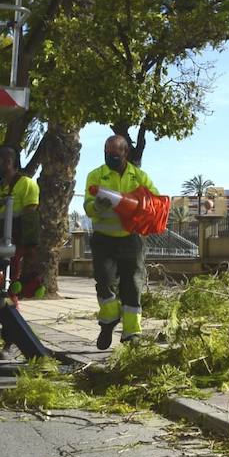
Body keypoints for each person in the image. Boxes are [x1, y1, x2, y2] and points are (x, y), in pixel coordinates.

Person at [85, 134, 157, 349]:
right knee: (105, 283)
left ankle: (131, 333)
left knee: (132, 287)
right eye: (106, 153)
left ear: (125, 153)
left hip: (131, 240)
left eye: (114, 154)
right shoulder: (96, 175)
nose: (110, 157)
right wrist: (98, 206)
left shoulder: (139, 177)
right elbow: (88, 206)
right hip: (103, 241)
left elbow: (155, 202)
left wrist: (139, 205)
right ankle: (108, 322)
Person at [0, 146, 40, 352]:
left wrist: (30, 249)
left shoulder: (26, 185)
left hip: (14, 246)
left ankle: (10, 340)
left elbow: (30, 217)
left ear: (9, 162)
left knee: (7, 291)